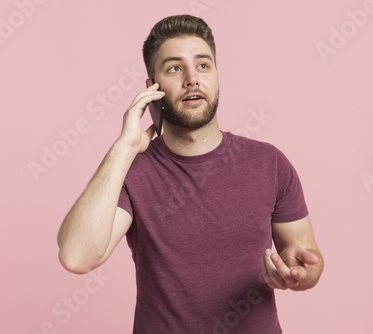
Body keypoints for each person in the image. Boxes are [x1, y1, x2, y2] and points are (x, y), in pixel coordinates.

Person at [57, 14, 324, 334]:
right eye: (174, 68)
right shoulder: (132, 172)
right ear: (151, 89)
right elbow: (76, 257)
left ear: (216, 75)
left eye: (202, 65)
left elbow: (309, 259)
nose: (191, 78)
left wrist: (299, 271)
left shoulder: (269, 162)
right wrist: (124, 148)